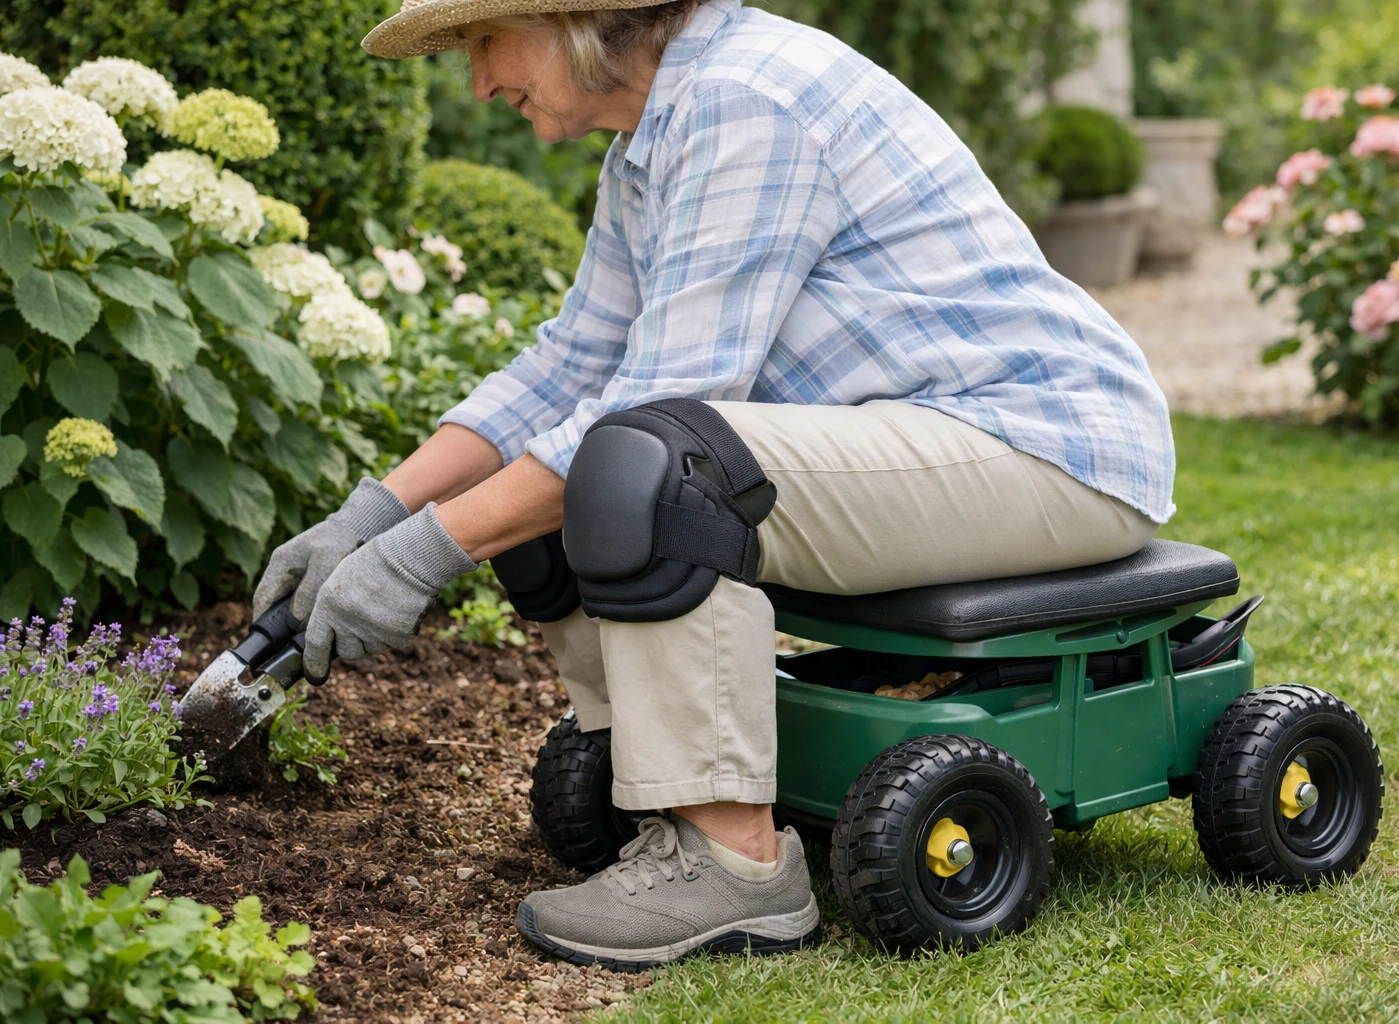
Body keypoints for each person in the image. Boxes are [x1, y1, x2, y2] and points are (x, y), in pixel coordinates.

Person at [251, 0, 1176, 971]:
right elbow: (566, 367)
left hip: (1042, 445)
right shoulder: (651, 142)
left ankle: (732, 868)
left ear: (576, 19)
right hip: (927, 439)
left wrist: (424, 554)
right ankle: (654, 788)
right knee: (561, 482)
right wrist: (376, 514)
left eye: (483, 42)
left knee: (653, 465)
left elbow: (664, 397)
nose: (479, 81)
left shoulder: (745, 102)